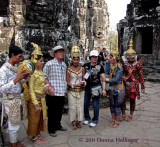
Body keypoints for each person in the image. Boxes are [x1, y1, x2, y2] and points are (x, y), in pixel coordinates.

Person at [0, 46, 29, 147]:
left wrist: (24, 77)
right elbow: (2, 88)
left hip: (17, 99)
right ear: (12, 55)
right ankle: (13, 145)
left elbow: (19, 83)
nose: (21, 59)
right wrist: (16, 79)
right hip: (10, 99)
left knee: (15, 123)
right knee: (13, 124)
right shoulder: (4, 69)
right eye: (19, 57)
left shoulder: (15, 68)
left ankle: (14, 142)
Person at [43, 45, 67, 137]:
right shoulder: (49, 64)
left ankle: (58, 125)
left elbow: (63, 77)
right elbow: (44, 77)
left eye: (62, 51)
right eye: (59, 51)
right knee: (52, 112)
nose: (62, 53)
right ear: (55, 53)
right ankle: (51, 129)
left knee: (59, 111)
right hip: (52, 92)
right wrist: (49, 87)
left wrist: (65, 89)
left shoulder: (64, 64)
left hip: (61, 91)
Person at [120, 37, 145, 122]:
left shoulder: (137, 64)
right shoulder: (124, 64)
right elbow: (121, 72)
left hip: (133, 85)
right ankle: (123, 114)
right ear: (126, 56)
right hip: (125, 83)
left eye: (132, 55)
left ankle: (130, 115)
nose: (130, 57)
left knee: (132, 100)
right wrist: (122, 76)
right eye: (129, 55)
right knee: (122, 100)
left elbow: (141, 75)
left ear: (134, 56)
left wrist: (142, 86)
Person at [27, 43, 47, 145]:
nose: (42, 62)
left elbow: (41, 86)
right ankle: (34, 137)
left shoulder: (41, 72)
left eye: (42, 60)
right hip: (34, 100)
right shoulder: (32, 74)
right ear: (35, 61)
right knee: (34, 119)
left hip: (42, 98)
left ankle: (38, 134)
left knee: (40, 118)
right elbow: (31, 89)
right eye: (40, 61)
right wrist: (35, 103)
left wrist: (45, 90)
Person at [83, 50, 106, 127]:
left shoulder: (100, 67)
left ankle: (95, 119)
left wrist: (103, 89)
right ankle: (87, 118)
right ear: (90, 57)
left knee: (95, 104)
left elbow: (103, 78)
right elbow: (82, 76)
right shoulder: (85, 65)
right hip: (87, 87)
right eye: (93, 57)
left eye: (95, 57)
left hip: (96, 87)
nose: (94, 58)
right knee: (85, 103)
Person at [66, 43, 85, 130]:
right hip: (72, 91)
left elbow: (84, 80)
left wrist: (83, 83)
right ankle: (73, 122)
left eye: (77, 59)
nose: (76, 61)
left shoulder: (82, 69)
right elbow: (66, 82)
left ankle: (78, 121)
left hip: (81, 91)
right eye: (74, 60)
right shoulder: (69, 70)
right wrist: (74, 85)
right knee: (72, 107)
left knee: (80, 106)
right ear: (72, 60)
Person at [106, 49, 125, 128]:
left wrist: (106, 80)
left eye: (110, 58)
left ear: (114, 58)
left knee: (117, 105)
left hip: (118, 89)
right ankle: (113, 120)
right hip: (112, 88)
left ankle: (117, 121)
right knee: (111, 105)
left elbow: (116, 79)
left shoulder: (119, 68)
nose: (109, 59)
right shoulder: (111, 66)